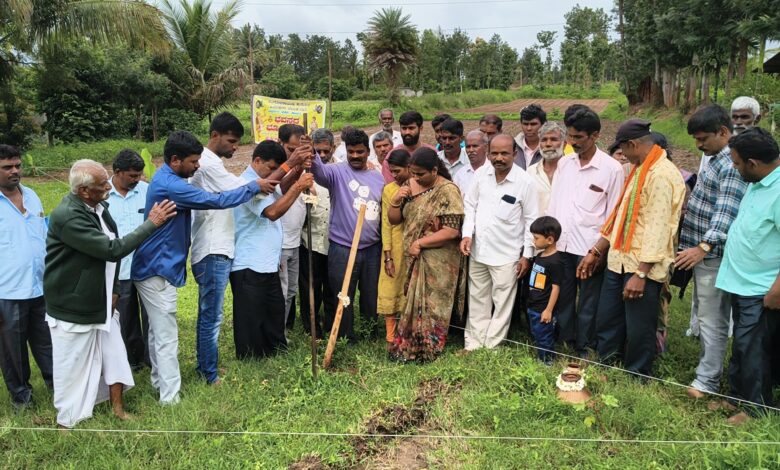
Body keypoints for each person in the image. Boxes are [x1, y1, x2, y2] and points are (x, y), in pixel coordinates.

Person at [132, 130, 301, 404]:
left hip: (159, 264)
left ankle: (163, 380)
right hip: (161, 265)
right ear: (175, 160)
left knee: (159, 330)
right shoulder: (175, 185)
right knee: (172, 332)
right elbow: (218, 200)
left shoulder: (169, 178)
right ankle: (174, 394)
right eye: (193, 162)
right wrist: (256, 185)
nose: (197, 167)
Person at [44, 159, 176, 428]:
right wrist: (152, 223)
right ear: (83, 191)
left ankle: (118, 409)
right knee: (72, 365)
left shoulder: (99, 208)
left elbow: (111, 254)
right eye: (102, 183)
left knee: (115, 354)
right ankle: (66, 421)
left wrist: (114, 289)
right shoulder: (68, 216)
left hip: (102, 300)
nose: (108, 186)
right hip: (74, 304)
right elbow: (112, 250)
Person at [579, 119, 685, 377]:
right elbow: (621, 217)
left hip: (642, 266)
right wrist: (597, 250)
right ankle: (606, 364)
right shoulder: (640, 169)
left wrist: (641, 273)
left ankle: (637, 375)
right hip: (619, 260)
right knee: (608, 317)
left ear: (633, 145)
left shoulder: (661, 175)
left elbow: (658, 228)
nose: (623, 156)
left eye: (623, 150)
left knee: (639, 326)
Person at [674, 105, 746, 400]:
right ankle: (710, 374)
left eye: (703, 139)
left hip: (713, 255)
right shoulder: (717, 158)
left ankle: (707, 381)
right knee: (707, 315)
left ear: (723, 132)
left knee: (712, 318)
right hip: (706, 251)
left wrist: (704, 246)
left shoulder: (730, 164)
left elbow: (726, 211)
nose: (698, 145)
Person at [714, 128, 780, 424]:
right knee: (742, 343)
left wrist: (777, 288)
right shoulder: (758, 182)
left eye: (737, 162)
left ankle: (756, 410)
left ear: (753, 163)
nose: (734, 167)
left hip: (762, 287)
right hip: (741, 282)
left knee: (754, 349)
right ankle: (736, 397)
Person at [547, 108, 625, 356]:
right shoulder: (564, 163)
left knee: (589, 300)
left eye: (579, 137)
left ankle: (584, 346)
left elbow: (614, 216)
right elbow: (555, 203)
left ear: (595, 136)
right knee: (563, 296)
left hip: (589, 248)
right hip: (562, 244)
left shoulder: (611, 169)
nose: (573, 142)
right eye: (570, 136)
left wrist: (598, 251)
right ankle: (565, 341)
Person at [189, 112, 256, 385]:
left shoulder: (211, 162)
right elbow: (239, 188)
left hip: (217, 247)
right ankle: (209, 373)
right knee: (212, 315)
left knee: (210, 313)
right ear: (215, 135)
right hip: (212, 248)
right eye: (231, 141)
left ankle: (206, 364)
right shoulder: (207, 163)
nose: (235, 147)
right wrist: (267, 179)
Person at [231, 141, 314, 358]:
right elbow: (272, 212)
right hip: (249, 262)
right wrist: (298, 186)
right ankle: (251, 359)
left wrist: (297, 169)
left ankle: (275, 352)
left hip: (268, 261)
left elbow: (280, 189)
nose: (273, 174)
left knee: (274, 312)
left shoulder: (266, 181)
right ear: (257, 161)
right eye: (271, 168)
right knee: (251, 317)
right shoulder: (247, 183)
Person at [461, 134, 538, 350]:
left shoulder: (525, 182)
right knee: (477, 299)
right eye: (494, 153)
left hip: (507, 254)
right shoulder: (481, 175)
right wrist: (467, 234)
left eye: (504, 153)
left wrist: (527, 255)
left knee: (502, 302)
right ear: (488, 153)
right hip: (478, 250)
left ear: (514, 153)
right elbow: (470, 206)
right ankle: (473, 344)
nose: (499, 158)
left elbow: (531, 220)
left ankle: (492, 346)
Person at [387, 147, 465, 361]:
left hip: (438, 258)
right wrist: (396, 200)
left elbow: (452, 231)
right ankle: (410, 341)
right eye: (413, 173)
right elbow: (394, 220)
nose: (416, 178)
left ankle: (430, 346)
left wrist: (420, 243)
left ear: (434, 171)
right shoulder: (408, 185)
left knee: (433, 303)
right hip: (414, 255)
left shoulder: (447, 190)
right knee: (413, 299)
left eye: (420, 174)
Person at [310, 128, 385, 342]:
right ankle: (345, 336)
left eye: (360, 152)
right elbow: (318, 171)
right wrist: (310, 152)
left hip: (372, 248)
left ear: (368, 152)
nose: (355, 156)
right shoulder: (335, 172)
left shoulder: (377, 176)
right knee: (343, 294)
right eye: (351, 151)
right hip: (342, 247)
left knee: (370, 294)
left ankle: (370, 334)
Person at [0, 144, 52, 410]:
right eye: (7, 167)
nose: (15, 171)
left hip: (40, 286)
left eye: (17, 165)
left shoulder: (31, 195)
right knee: (13, 350)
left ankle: (59, 388)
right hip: (7, 292)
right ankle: (22, 398)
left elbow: (43, 234)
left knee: (47, 343)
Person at [107, 150, 151, 371]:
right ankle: (132, 360)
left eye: (139, 175)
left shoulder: (147, 191)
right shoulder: (102, 194)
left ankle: (152, 358)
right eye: (132, 176)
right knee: (125, 317)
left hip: (146, 267)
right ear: (117, 172)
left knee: (151, 316)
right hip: (118, 269)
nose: (137, 179)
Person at [299, 129, 337, 339]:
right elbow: (301, 207)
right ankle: (311, 327)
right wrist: (309, 196)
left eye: (325, 151)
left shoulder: (341, 170)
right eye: (317, 151)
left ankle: (332, 325)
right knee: (310, 288)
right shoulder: (304, 172)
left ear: (333, 148)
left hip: (333, 241)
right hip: (310, 241)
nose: (322, 155)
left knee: (331, 287)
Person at [378, 149, 412, 348]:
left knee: (410, 289)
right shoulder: (389, 189)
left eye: (397, 171)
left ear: (409, 167)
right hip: (395, 245)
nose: (394, 175)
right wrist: (388, 256)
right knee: (391, 285)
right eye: (391, 171)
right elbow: (386, 223)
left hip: (415, 246)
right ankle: (391, 336)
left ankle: (408, 333)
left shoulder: (418, 187)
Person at [277, 124, 308, 331]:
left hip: (295, 241)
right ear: (280, 143)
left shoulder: (306, 166)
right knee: (281, 290)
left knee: (290, 291)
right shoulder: (275, 167)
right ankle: (276, 332)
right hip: (279, 243)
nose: (295, 154)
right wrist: (297, 168)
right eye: (291, 150)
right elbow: (280, 188)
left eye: (299, 150)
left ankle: (283, 330)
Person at [527, 216, 565, 364]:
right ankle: (541, 357)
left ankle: (547, 362)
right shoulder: (540, 256)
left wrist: (548, 310)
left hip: (543, 308)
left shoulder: (556, 262)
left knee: (544, 336)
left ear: (549, 240)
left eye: (536, 238)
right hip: (533, 304)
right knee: (537, 333)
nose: (534, 241)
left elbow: (556, 288)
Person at [527, 122, 566, 214]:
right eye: (544, 140)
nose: (548, 144)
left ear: (564, 144)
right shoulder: (530, 172)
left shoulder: (574, 172)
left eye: (554, 139)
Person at [453, 130, 488, 198]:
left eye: (475, 146)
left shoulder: (494, 171)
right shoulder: (460, 175)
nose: (471, 150)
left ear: (486, 147)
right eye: (468, 147)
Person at [514, 104, 546, 170]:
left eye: (533, 124)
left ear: (543, 125)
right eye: (525, 124)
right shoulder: (512, 146)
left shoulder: (550, 147)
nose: (529, 128)